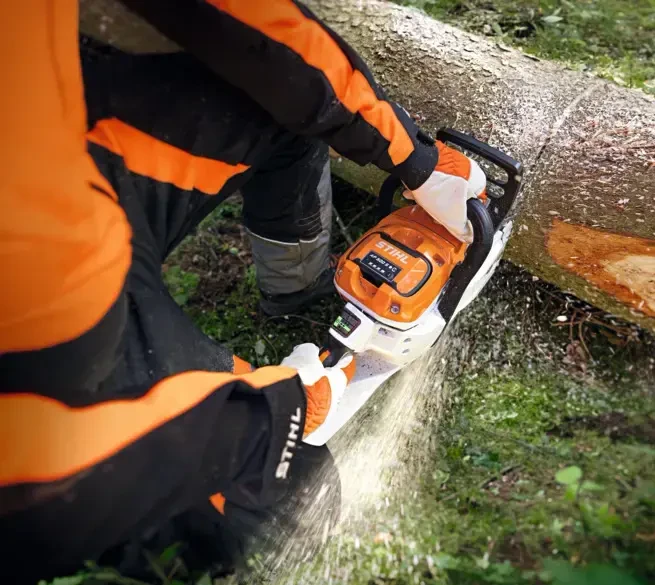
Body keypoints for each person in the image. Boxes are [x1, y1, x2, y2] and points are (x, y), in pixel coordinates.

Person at [0, 1, 487, 582]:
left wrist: (413, 157)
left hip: (73, 182)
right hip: (40, 366)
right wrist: (271, 417)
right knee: (283, 498)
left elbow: (252, 21)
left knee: (282, 103)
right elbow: (27, 498)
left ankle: (293, 290)